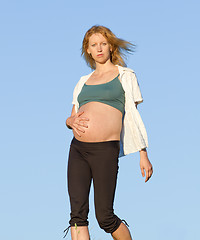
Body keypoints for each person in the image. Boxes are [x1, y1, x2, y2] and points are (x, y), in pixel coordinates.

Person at [63, 25, 153, 240]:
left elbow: (133, 116)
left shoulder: (125, 76)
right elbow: (71, 117)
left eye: (103, 43)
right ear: (88, 50)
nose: (99, 48)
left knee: (105, 216)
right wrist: (69, 121)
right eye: (94, 45)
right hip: (78, 150)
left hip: (105, 150)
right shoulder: (82, 82)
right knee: (77, 216)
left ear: (111, 47)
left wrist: (143, 153)